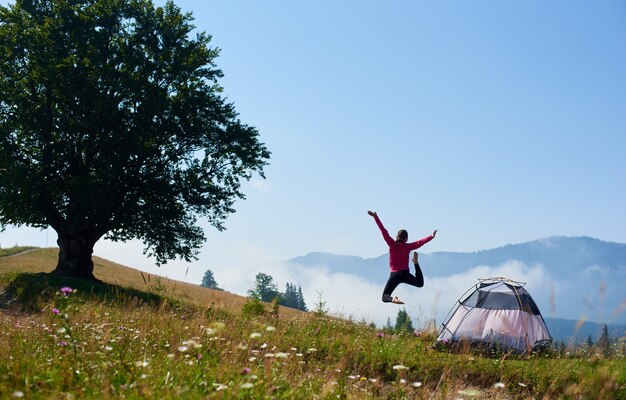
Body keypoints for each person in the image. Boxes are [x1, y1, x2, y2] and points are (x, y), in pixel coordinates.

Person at [368, 210, 437, 304]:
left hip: (394, 275)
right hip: (405, 274)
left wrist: (376, 217)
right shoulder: (407, 247)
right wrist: (431, 237)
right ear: (406, 239)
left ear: (397, 237)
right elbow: (419, 243)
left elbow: (383, 231)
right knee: (420, 283)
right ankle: (416, 263)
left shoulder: (391, 244)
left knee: (385, 297)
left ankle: (393, 299)